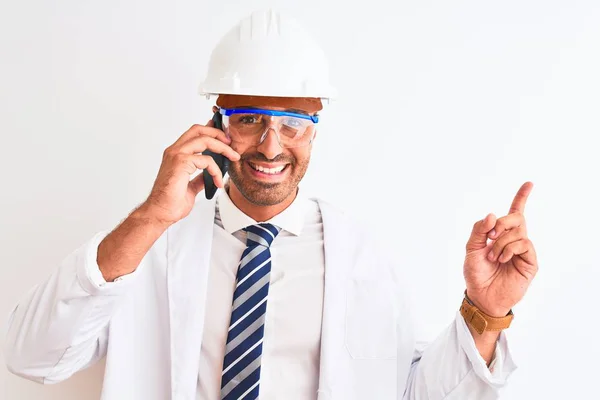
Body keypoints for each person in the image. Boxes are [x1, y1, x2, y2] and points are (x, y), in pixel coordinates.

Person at [4, 8, 538, 400]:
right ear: (217, 123)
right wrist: (151, 216)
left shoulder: (361, 254)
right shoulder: (149, 248)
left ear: (316, 128)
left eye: (293, 123)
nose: (271, 145)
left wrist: (486, 313)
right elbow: (31, 357)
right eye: (251, 119)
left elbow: (415, 394)